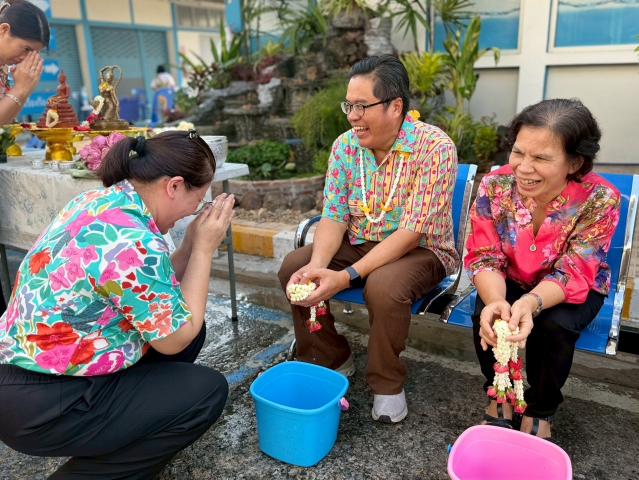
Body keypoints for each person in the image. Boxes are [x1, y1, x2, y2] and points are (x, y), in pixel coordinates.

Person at [0, 130, 236, 478]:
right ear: (174, 186)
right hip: (43, 404)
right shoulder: (134, 240)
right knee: (206, 392)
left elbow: (147, 289)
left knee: (188, 326)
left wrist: (188, 246)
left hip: (24, 378)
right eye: (198, 200)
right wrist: (203, 250)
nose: (195, 211)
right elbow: (175, 338)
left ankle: (121, 426)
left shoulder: (100, 201)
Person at [278, 55, 459, 424]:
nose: (352, 116)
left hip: (422, 249)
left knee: (384, 286)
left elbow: (410, 232)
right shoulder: (346, 146)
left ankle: (386, 382)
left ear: (395, 106)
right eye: (349, 106)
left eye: (362, 106)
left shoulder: (434, 147)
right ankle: (331, 357)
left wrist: (344, 277)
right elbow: (334, 216)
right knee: (295, 267)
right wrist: (318, 267)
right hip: (360, 240)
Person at [465, 98, 621, 440]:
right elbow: (485, 256)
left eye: (541, 158)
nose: (524, 167)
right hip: (510, 277)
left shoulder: (600, 199)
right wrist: (498, 301)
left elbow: (575, 270)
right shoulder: (495, 186)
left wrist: (529, 303)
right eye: (518, 152)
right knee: (490, 316)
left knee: (555, 326)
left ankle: (541, 409)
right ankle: (501, 394)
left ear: (574, 162)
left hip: (571, 286)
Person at [0, 0, 48, 125]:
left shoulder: (3, 66)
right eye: (26, 49)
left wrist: (25, 89)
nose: (25, 58)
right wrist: (19, 89)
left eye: (33, 53)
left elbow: (5, 122)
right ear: (4, 30)